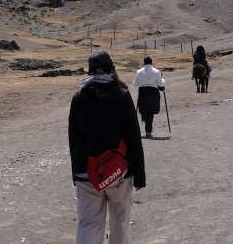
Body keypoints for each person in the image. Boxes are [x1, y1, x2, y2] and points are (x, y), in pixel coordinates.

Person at [69, 51, 145, 244]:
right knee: (120, 221)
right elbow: (133, 136)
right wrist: (140, 174)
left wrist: (76, 174)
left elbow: (73, 139)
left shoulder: (79, 97)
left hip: (87, 174)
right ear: (112, 69)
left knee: (88, 224)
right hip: (119, 172)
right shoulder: (121, 94)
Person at [132, 57, 166, 139]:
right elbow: (161, 85)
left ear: (144, 63)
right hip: (153, 94)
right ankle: (148, 132)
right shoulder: (157, 71)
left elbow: (135, 84)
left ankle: (145, 131)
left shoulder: (139, 72)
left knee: (144, 112)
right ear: (151, 62)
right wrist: (163, 80)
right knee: (150, 113)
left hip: (142, 94)